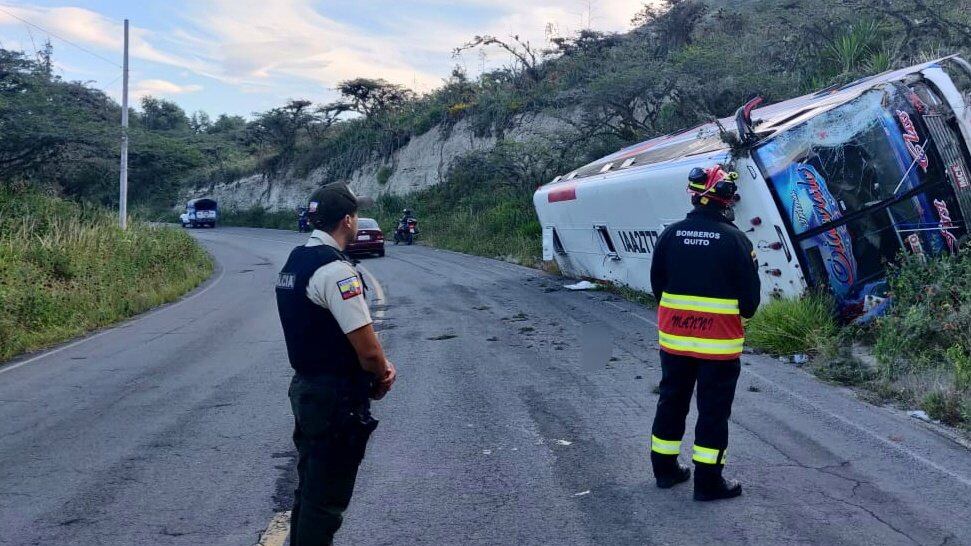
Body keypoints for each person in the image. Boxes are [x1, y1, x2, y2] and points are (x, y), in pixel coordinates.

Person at [275, 183, 397, 545]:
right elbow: (369, 350)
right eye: (356, 215)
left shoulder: (295, 260)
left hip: (307, 390)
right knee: (326, 501)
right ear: (347, 220)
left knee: (310, 491)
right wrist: (382, 373)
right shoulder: (337, 272)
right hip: (335, 398)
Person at [648, 164, 761, 502]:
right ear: (724, 198)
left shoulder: (670, 235)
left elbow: (658, 286)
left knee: (672, 400)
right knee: (712, 411)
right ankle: (708, 482)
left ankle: (665, 472)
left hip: (674, 339)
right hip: (718, 344)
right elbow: (750, 304)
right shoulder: (737, 241)